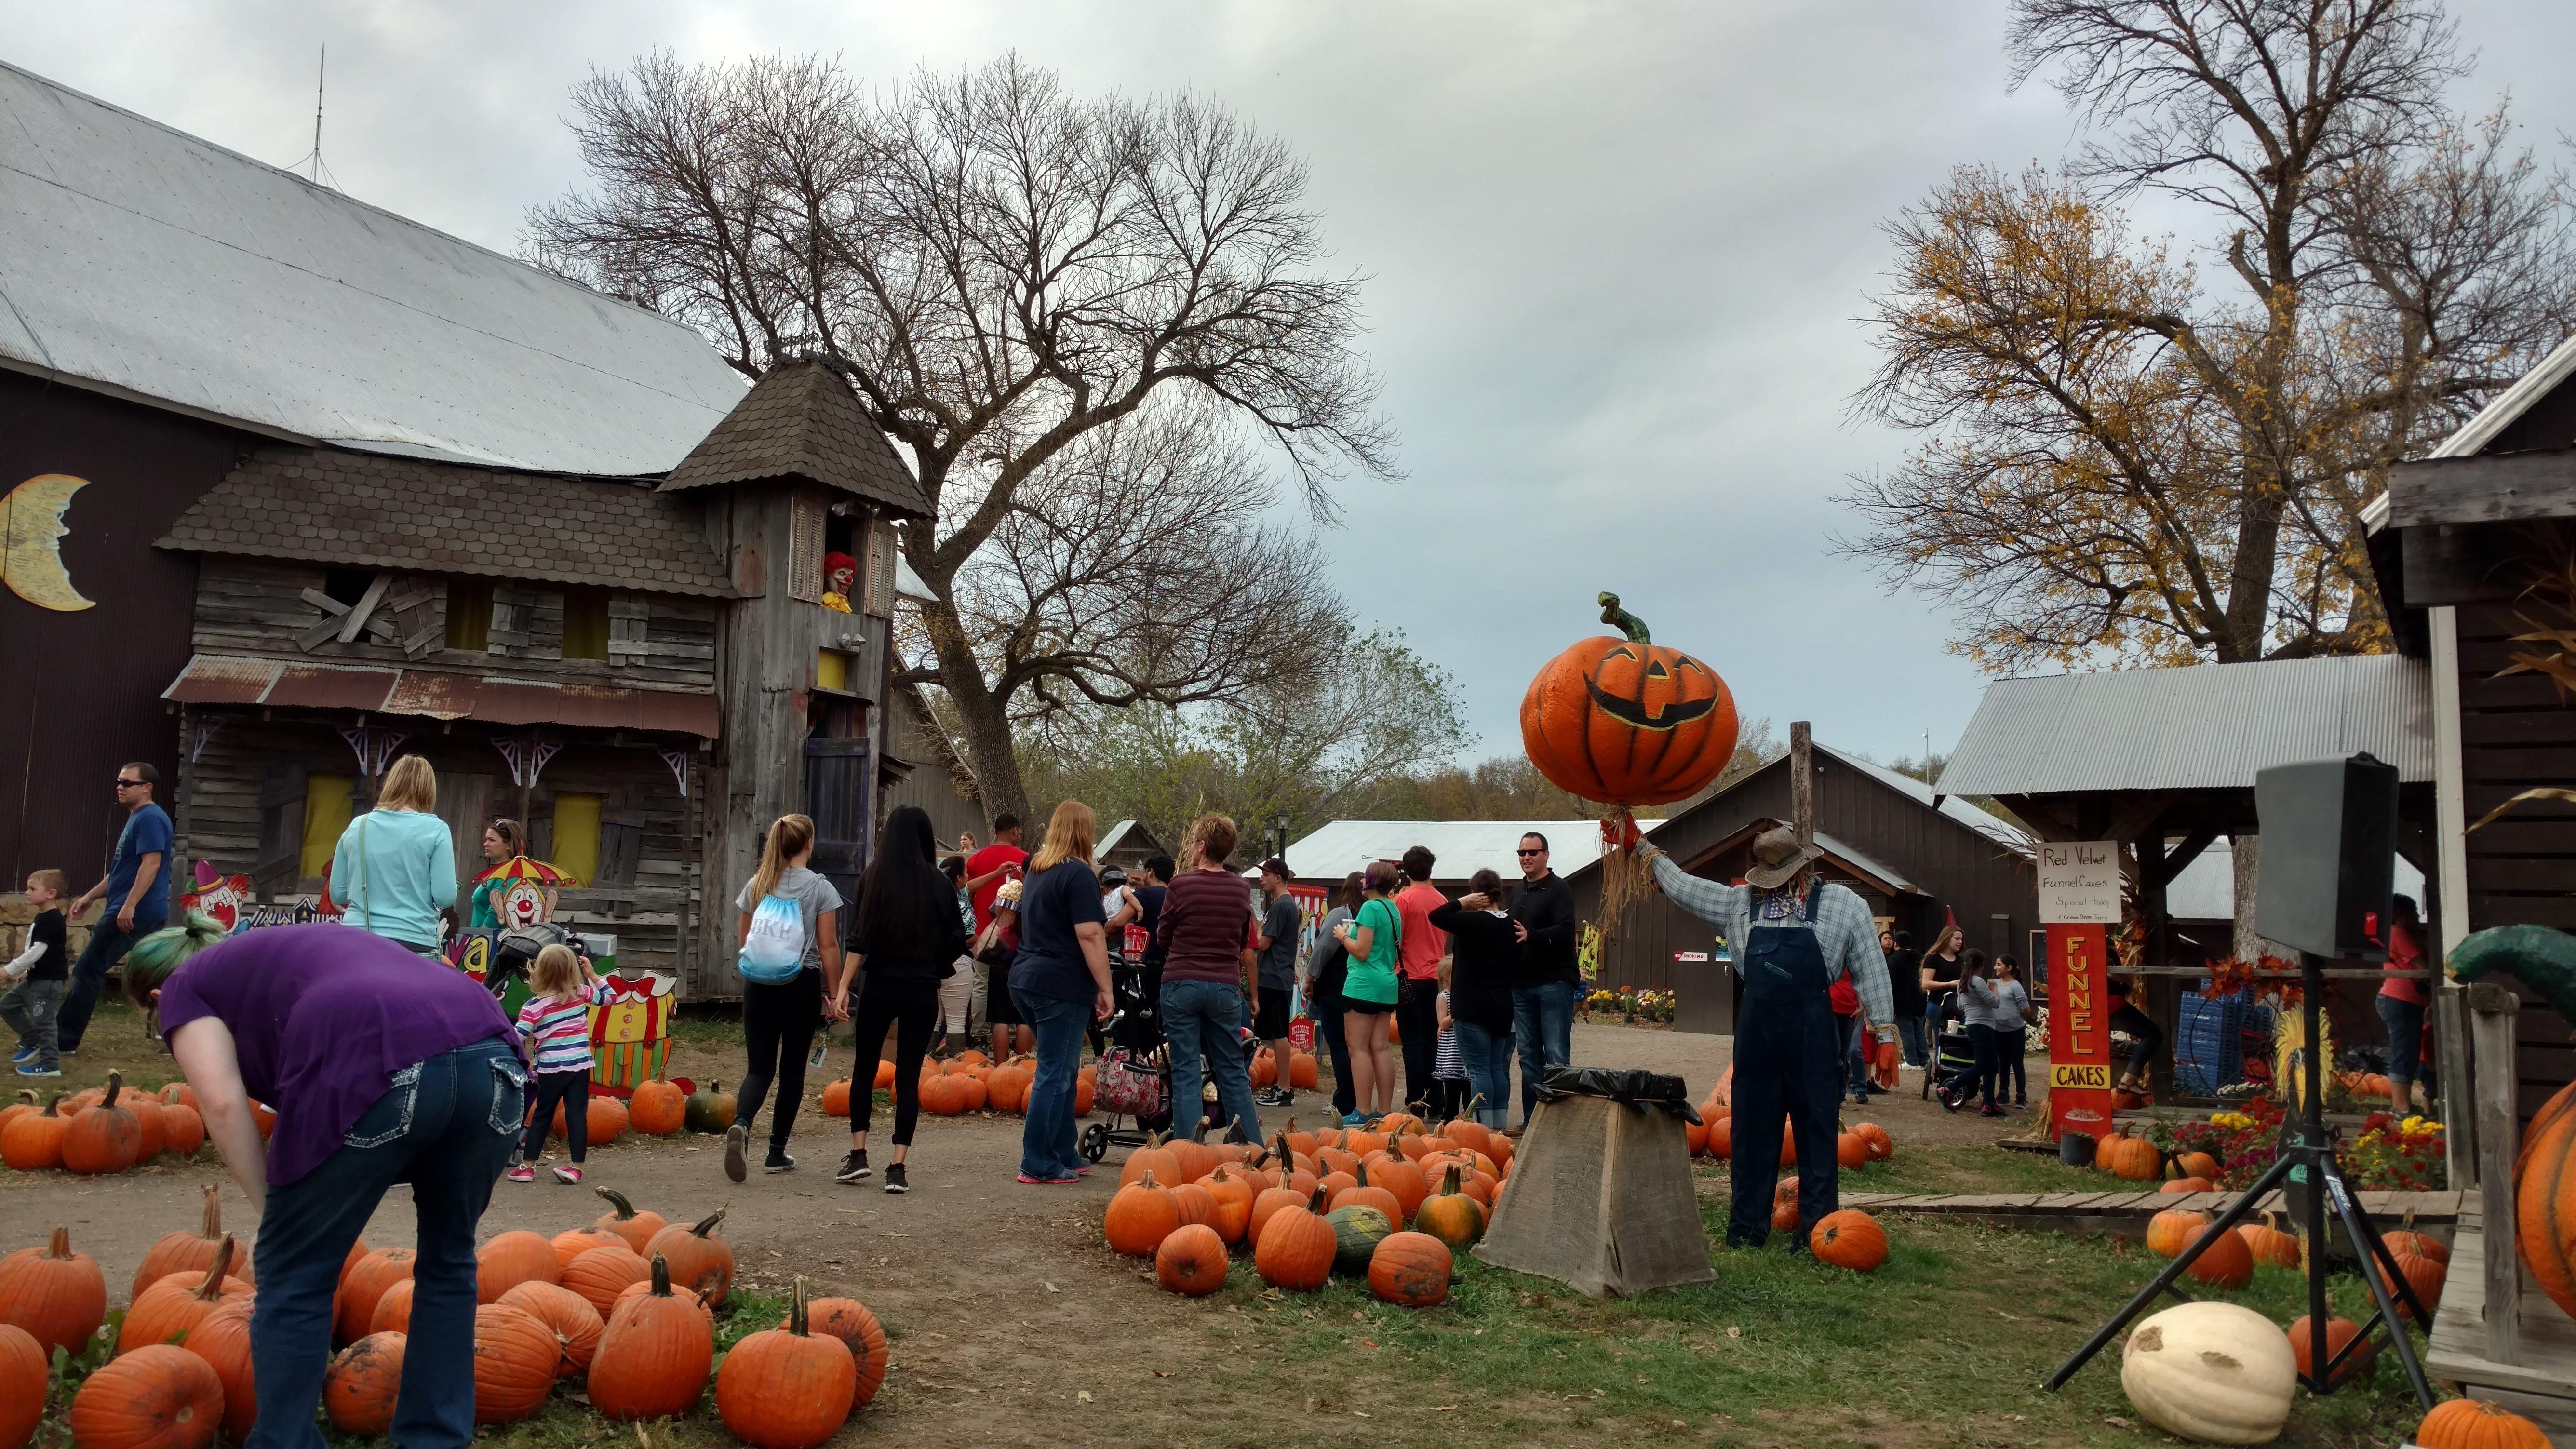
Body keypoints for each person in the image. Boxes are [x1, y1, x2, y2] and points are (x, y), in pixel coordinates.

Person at [140, 918, 521, 1449]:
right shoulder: (287, 957)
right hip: (493, 1058)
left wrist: (273, 1217)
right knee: (450, 1261)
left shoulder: (184, 988)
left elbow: (223, 1106)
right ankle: (435, 1439)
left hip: (377, 1059)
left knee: (296, 1273)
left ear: (156, 1001)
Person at [1638, 823, 1895, 1247]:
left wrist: (1884, 1034)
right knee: (1752, 1132)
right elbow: (1683, 886)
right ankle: (1746, 1228)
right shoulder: (1739, 904)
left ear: (1803, 867)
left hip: (1814, 1036)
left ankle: (1819, 1230)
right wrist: (1640, 846)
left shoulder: (1845, 905)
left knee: (1817, 1131)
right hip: (1758, 1040)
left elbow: (1871, 968)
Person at [834, 805, 971, 1193]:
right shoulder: (939, 884)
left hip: (879, 984)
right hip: (921, 989)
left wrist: (843, 988)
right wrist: (935, 966)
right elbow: (957, 940)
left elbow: (858, 939)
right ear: (926, 837)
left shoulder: (872, 879)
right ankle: (897, 1167)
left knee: (864, 1069)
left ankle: (858, 1155)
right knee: (908, 1076)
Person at [726, 814, 844, 1182]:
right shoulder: (821, 889)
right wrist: (836, 994)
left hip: (758, 986)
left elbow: (744, 941)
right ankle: (776, 1153)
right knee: (792, 1071)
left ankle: (742, 1124)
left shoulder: (758, 884)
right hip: (800, 985)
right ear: (809, 844)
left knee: (759, 1070)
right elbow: (828, 947)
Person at [1008, 801, 1114, 1184]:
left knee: (1064, 1067)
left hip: (1025, 977)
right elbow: (1090, 934)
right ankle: (1037, 1161)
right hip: (1061, 983)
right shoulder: (1079, 874)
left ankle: (1063, 1150)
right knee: (1055, 1072)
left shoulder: (1037, 870)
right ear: (1086, 832)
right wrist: (1106, 987)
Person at [1152, 816, 1263, 1142]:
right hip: (1224, 986)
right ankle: (1250, 1146)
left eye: (1193, 843)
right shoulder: (1241, 888)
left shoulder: (1180, 885)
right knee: (1232, 1068)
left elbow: (1163, 936)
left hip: (1182, 982)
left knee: (1186, 1070)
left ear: (1201, 847)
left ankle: (1190, 1149)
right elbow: (1243, 938)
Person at [55, 760, 172, 1055]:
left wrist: (129, 906)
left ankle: (62, 1041)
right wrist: (90, 897)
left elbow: (151, 864)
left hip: (133, 912)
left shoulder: (149, 818)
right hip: (136, 910)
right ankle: (173, 1035)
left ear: (147, 788)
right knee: (152, 977)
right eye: (119, 782)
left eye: (128, 783)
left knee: (87, 970)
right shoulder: (138, 817)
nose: (120, 787)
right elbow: (122, 870)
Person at [327, 756, 457, 955]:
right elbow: (445, 897)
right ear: (429, 790)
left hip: (357, 938)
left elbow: (338, 894)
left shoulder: (358, 826)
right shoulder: (437, 830)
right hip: (413, 941)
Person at [509, 943, 611, 1183]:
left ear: (539, 971)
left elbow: (517, 1037)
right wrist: (593, 975)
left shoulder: (533, 1007)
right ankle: (576, 1168)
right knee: (577, 1116)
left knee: (542, 1116)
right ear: (573, 970)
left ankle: (528, 1167)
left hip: (551, 1069)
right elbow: (610, 999)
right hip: (580, 1066)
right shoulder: (581, 992)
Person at [1427, 869, 1518, 1129]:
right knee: (1496, 1068)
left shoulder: (1472, 922)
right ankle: (1499, 1124)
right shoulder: (1512, 924)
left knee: (1478, 1069)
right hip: (1502, 1006)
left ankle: (1482, 1127)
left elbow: (1436, 916)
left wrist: (1463, 902)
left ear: (1476, 893)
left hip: (1472, 1007)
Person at [1506, 832, 1578, 1129]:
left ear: (1546, 855)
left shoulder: (1559, 889)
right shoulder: (1517, 891)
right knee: (1528, 1056)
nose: (1526, 858)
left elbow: (1566, 929)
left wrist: (1532, 936)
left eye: (1532, 853)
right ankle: (1532, 1121)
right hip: (1521, 984)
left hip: (1554, 983)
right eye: (1522, 853)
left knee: (1557, 1055)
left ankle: (1560, 1123)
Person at [1332, 861, 1404, 1123]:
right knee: (1381, 1048)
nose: (1362, 881)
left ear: (1373, 882)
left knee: (1358, 1049)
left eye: (1365, 878)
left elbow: (1361, 951)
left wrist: (1343, 936)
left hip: (1363, 985)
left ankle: (1362, 1112)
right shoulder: (1393, 909)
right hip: (1387, 983)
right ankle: (1385, 1111)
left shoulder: (1370, 908)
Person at [966, 816, 1031, 1059]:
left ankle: (979, 1036)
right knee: (1019, 996)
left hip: (985, 936)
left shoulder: (977, 859)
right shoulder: (1025, 859)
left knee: (982, 987)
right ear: (1015, 831)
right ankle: (1020, 1050)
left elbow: (968, 892)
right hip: (1020, 940)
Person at [1390, 846, 1448, 1114]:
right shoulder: (1442, 899)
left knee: (1412, 1044)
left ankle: (1416, 1102)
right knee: (1433, 1042)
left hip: (1409, 977)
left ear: (1406, 870)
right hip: (1437, 978)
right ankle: (1437, 1101)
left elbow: (1396, 939)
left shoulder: (1403, 901)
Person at [4, 868, 71, 1077]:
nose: (27, 892)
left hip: (47, 982)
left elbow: (37, 951)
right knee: (7, 1005)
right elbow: (36, 951)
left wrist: (7, 970)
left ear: (51, 894)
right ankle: (33, 1040)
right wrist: (28, 971)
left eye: (32, 889)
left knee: (45, 1022)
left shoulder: (53, 920)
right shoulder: (42, 917)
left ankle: (50, 1065)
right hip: (35, 977)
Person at [1308, 873, 1361, 1121]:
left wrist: (1310, 977)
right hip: (1361, 988)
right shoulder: (1370, 916)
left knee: (1339, 1045)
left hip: (1334, 987)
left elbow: (1323, 947)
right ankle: (1360, 1099)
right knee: (1359, 1048)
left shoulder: (1342, 914)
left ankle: (1344, 1101)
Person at [1252, 857, 1303, 1110]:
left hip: (1275, 978)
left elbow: (1261, 943)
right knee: (1272, 1033)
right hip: (1273, 977)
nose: (1262, 879)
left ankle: (1285, 1089)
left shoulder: (1283, 906)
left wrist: (1254, 923)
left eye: (1266, 875)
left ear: (1278, 877)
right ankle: (1282, 1087)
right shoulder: (1280, 905)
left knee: (1279, 1034)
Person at [2378, 894, 2434, 1114]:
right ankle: (2401, 1107)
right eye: (2414, 912)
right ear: (2400, 914)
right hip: (2400, 999)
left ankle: (2404, 1105)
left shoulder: (2397, 934)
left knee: (2409, 1052)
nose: (2418, 917)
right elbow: (2422, 965)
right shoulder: (2397, 933)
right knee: (2404, 1052)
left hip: (2405, 1000)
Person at [1948, 949, 2004, 1116]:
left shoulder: (1962, 982)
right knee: (1983, 1065)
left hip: (1973, 1024)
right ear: (1982, 965)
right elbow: (1995, 1003)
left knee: (1992, 1065)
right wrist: (1994, 988)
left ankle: (1989, 1103)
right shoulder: (1978, 981)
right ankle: (1950, 1088)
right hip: (1982, 1026)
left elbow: (1960, 1006)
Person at [932, 855, 976, 1056]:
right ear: (959, 877)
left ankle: (924, 1063)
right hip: (958, 963)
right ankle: (954, 1067)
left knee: (935, 1018)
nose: (968, 877)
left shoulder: (933, 898)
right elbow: (969, 937)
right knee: (957, 1020)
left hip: (933, 964)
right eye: (966, 873)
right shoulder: (961, 903)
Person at [466, 818, 537, 928]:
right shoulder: (499, 872)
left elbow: (496, 915)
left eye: (492, 840)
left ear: (508, 845)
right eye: (486, 839)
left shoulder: (511, 874)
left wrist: (480, 937)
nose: (486, 844)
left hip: (492, 937)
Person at [2108, 978, 2164, 1097]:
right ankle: (2128, 1081)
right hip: (2111, 1004)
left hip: (2089, 1007)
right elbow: (2113, 974)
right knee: (2153, 1035)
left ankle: (2126, 1082)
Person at [1989, 954, 2032, 1109]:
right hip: (1998, 1031)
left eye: (1999, 964)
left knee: (2017, 1063)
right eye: (1996, 964)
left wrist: (2013, 1015)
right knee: (2003, 1063)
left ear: (2009, 968)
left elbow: (2026, 1009)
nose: (1995, 967)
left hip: (2015, 1032)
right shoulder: (1993, 984)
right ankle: (2003, 1093)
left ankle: (2021, 1096)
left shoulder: (2015, 986)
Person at [1919, 924, 1965, 1057]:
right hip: (1937, 1005)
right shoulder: (1933, 959)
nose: (1960, 942)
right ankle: (1941, 1064)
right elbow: (1926, 983)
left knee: (1956, 1038)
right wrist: (1949, 984)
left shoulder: (1960, 961)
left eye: (1962, 940)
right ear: (1947, 938)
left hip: (1956, 1005)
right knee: (1942, 1038)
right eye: (1957, 939)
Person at [1882, 929, 1926, 1068]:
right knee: (1919, 1031)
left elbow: (1890, 981)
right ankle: (1925, 1060)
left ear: (1896, 944)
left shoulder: (1894, 959)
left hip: (1902, 1002)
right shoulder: (1920, 957)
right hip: (1920, 1000)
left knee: (1907, 1033)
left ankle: (1912, 1061)